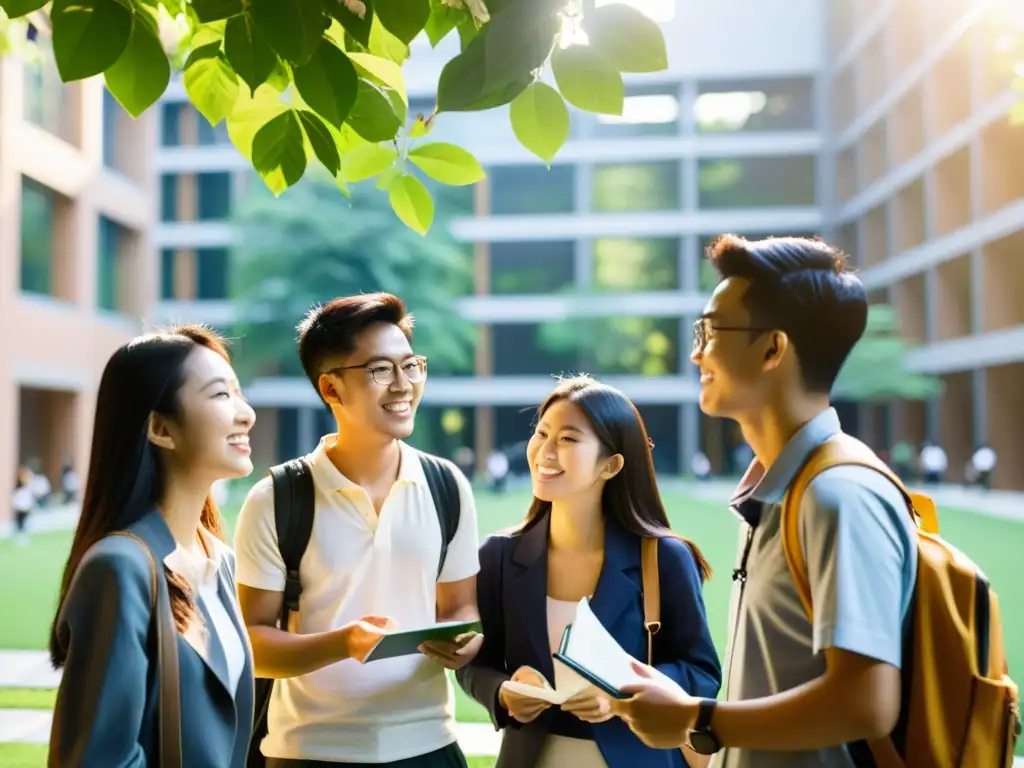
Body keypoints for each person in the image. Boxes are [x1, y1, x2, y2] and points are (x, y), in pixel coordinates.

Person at [610, 235, 918, 767]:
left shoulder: (837, 495)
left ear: (773, 349)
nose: (695, 351)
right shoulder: (786, 487)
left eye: (709, 331)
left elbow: (868, 702)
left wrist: (696, 718)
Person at [233, 293, 482, 768]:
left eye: (412, 366)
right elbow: (255, 644)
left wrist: (469, 640)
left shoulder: (447, 485)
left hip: (429, 745)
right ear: (330, 389)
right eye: (380, 371)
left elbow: (460, 606)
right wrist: (343, 643)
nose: (404, 385)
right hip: (311, 751)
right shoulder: (278, 499)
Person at [457, 375, 721, 768]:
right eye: (542, 433)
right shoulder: (498, 555)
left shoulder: (663, 557)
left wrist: (620, 695)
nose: (545, 452)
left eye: (567, 439)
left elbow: (700, 673)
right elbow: (474, 662)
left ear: (612, 464)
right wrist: (502, 692)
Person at [47, 325, 257, 767]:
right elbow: (102, 758)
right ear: (161, 428)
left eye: (239, 393)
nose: (246, 414)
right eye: (221, 395)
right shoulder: (120, 567)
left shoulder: (217, 559)